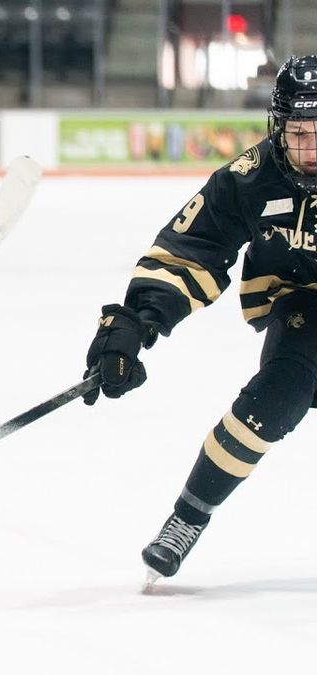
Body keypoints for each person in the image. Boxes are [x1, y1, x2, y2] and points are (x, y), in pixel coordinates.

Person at [82, 55, 317, 584]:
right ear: (278, 127)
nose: (310, 149)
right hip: (305, 306)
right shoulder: (250, 180)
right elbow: (190, 252)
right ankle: (185, 522)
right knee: (273, 398)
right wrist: (137, 323)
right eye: (300, 132)